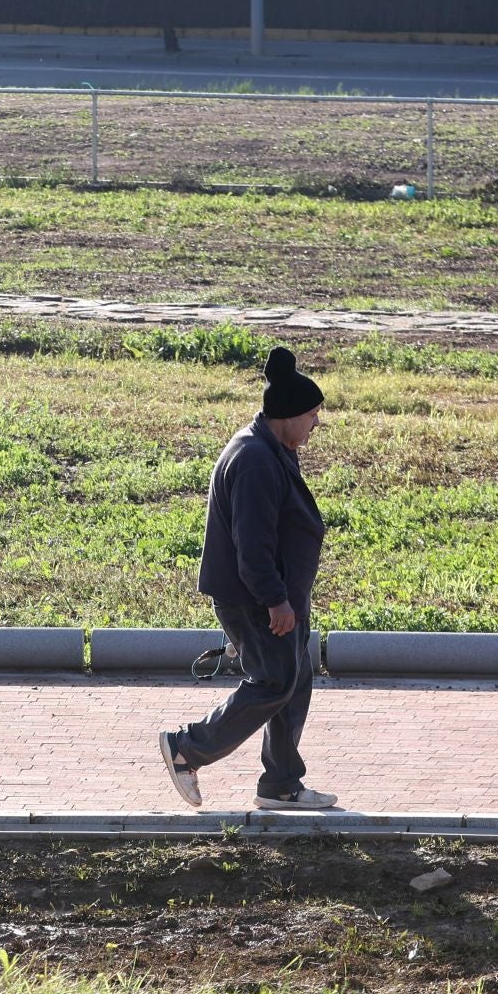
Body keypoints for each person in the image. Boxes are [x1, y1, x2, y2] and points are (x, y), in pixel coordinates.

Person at [159, 345, 335, 811]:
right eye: (313, 415)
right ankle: (187, 748)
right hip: (258, 598)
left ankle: (281, 785)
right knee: (275, 680)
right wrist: (276, 600)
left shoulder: (271, 447)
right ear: (290, 414)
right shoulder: (256, 460)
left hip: (279, 596)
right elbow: (251, 546)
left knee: (293, 679)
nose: (316, 424)